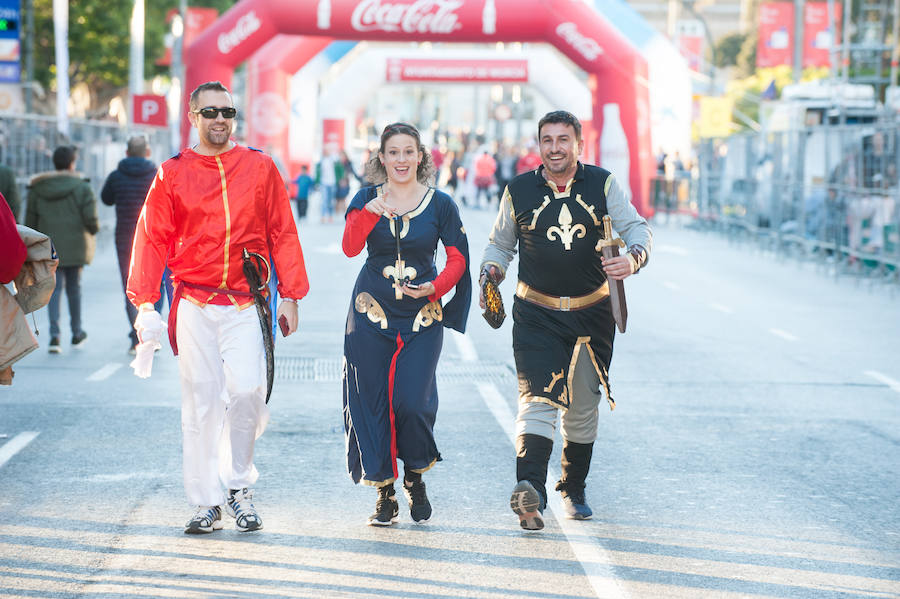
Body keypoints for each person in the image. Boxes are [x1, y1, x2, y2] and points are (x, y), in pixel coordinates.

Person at [127, 81, 310, 535]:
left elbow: (282, 231)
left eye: (227, 111)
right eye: (209, 112)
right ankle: (206, 502)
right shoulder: (171, 173)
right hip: (193, 303)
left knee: (248, 392)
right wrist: (145, 304)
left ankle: (238, 485)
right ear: (193, 117)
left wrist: (291, 294)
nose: (220, 120)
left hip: (247, 303)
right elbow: (151, 237)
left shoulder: (260, 167)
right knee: (201, 404)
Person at [479, 110, 651, 531]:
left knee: (581, 409)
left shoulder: (603, 183)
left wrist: (633, 259)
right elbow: (499, 246)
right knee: (537, 401)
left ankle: (573, 487)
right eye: (547, 140)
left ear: (578, 144)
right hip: (535, 314)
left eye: (563, 139)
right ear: (539, 145)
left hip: (592, 316)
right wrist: (491, 273)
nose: (555, 147)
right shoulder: (518, 190)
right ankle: (530, 490)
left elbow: (637, 230)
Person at [341, 122, 471, 526]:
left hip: (421, 314)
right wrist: (367, 215)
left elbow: (458, 259)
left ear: (421, 157)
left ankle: (414, 474)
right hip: (369, 312)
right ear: (382, 158)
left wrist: (434, 287)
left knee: (412, 402)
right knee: (371, 400)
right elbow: (349, 248)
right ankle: (384, 492)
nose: (401, 159)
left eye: (408, 152)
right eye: (393, 152)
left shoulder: (441, 204)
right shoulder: (365, 198)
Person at [25, 145, 98, 354]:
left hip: (48, 248)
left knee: (54, 290)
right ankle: (76, 333)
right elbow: (90, 218)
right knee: (74, 288)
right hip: (76, 245)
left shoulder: (38, 188)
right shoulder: (81, 186)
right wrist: (93, 229)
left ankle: (54, 336)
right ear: (72, 164)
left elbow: (30, 221)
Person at [101, 135, 166, 354]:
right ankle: (151, 335)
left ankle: (135, 337)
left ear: (127, 153)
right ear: (147, 152)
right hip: (155, 238)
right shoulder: (158, 175)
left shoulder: (116, 176)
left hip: (125, 239)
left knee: (131, 287)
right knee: (156, 286)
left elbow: (106, 199)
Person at [315, 145, 344, 223]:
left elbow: (340, 169)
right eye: (325, 150)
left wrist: (341, 179)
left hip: (332, 182)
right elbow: (317, 172)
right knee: (324, 200)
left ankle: (330, 216)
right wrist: (317, 182)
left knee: (331, 200)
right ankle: (323, 216)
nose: (326, 152)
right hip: (323, 183)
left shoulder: (334, 160)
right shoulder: (321, 161)